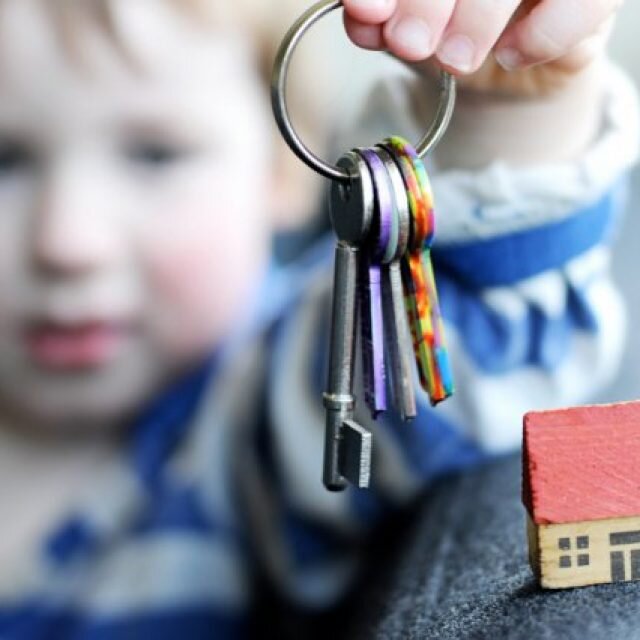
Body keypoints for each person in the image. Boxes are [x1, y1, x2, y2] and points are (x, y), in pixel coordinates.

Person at [0, 0, 634, 639]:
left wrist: (505, 112)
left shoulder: (250, 417)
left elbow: (479, 341)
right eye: (5, 160)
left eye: (155, 155)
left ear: (283, 168)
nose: (68, 241)